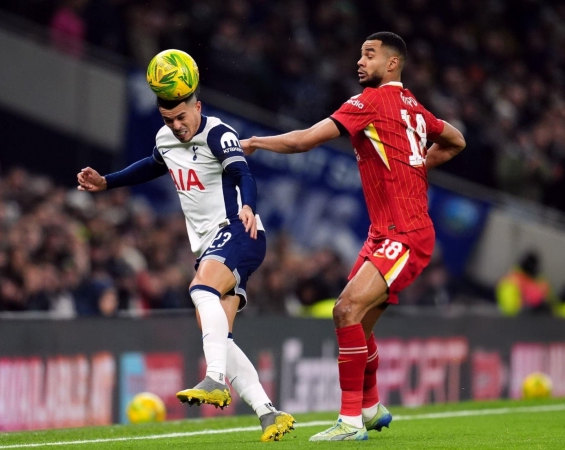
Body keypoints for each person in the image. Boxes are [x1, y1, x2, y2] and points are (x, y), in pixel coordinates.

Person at [242, 32, 466, 441]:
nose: (360, 62)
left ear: (393, 63)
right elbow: (455, 140)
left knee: (345, 310)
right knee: (358, 326)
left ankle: (350, 423)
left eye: (369, 54)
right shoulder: (414, 107)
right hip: (384, 234)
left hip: (404, 233)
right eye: (359, 53)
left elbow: (304, 141)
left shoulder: (369, 102)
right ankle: (371, 407)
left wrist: (256, 142)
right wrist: (418, 166)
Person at [76, 85, 295, 441]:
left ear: (198, 106)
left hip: (240, 230)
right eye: (169, 119)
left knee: (201, 289)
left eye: (181, 117)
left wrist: (249, 206)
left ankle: (216, 380)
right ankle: (269, 413)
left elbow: (244, 175)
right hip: (209, 245)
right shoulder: (165, 138)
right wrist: (107, 182)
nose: (177, 125)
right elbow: (152, 165)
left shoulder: (219, 134)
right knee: (216, 333)